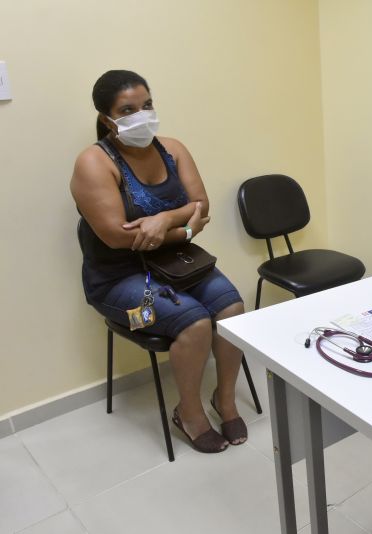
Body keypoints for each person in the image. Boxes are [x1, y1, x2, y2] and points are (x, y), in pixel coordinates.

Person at [71, 70, 248, 453]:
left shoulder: (173, 149)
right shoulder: (94, 163)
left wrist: (166, 220)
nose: (142, 115)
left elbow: (202, 207)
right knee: (195, 322)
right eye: (128, 110)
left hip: (179, 265)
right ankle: (189, 412)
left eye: (147, 105)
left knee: (233, 308)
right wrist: (185, 228)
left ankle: (226, 399)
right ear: (107, 119)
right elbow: (121, 237)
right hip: (120, 283)